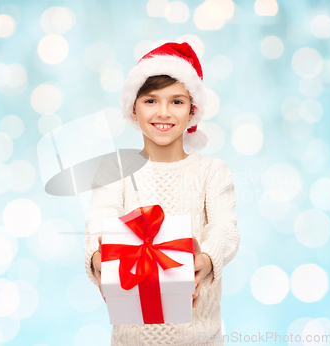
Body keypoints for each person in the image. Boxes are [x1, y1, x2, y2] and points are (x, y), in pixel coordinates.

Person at [83, 42, 240, 346]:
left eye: (177, 102)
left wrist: (204, 261)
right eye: (151, 100)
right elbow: (97, 224)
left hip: (200, 339)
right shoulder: (113, 170)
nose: (163, 113)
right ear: (133, 106)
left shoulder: (212, 171)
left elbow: (225, 232)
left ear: (193, 110)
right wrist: (97, 256)